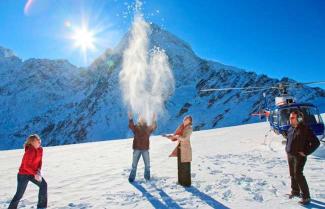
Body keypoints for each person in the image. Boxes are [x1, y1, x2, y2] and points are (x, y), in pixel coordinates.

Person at [285, 110, 320, 205]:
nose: (290, 119)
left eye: (292, 118)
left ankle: (306, 197)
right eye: (290, 117)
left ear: (299, 119)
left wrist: (306, 152)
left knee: (298, 174)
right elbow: (289, 139)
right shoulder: (290, 128)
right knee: (292, 174)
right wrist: (287, 148)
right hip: (290, 155)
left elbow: (316, 143)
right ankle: (295, 191)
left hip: (299, 156)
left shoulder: (305, 130)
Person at [8, 134, 47, 209]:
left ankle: (41, 206)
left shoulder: (40, 149)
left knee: (43, 185)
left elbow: (40, 161)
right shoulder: (29, 151)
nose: (39, 141)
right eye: (37, 140)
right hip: (23, 174)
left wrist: (38, 171)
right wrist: (35, 173)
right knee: (19, 194)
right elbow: (26, 166)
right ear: (32, 142)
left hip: (33, 173)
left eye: (39, 139)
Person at [128, 112, 157, 182]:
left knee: (147, 165)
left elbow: (154, 127)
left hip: (145, 149)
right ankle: (132, 177)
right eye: (140, 118)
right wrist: (131, 119)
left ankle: (147, 178)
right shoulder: (136, 127)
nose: (141, 119)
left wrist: (154, 119)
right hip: (137, 149)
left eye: (143, 118)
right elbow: (131, 126)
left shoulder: (147, 127)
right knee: (134, 165)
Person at [166, 115, 193, 187]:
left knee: (185, 167)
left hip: (185, 150)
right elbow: (176, 136)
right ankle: (180, 182)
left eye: (186, 119)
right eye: (184, 119)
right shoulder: (182, 127)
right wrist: (171, 137)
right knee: (180, 166)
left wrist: (177, 136)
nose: (184, 120)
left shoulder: (189, 128)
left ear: (189, 121)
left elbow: (184, 138)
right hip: (180, 148)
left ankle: (186, 183)